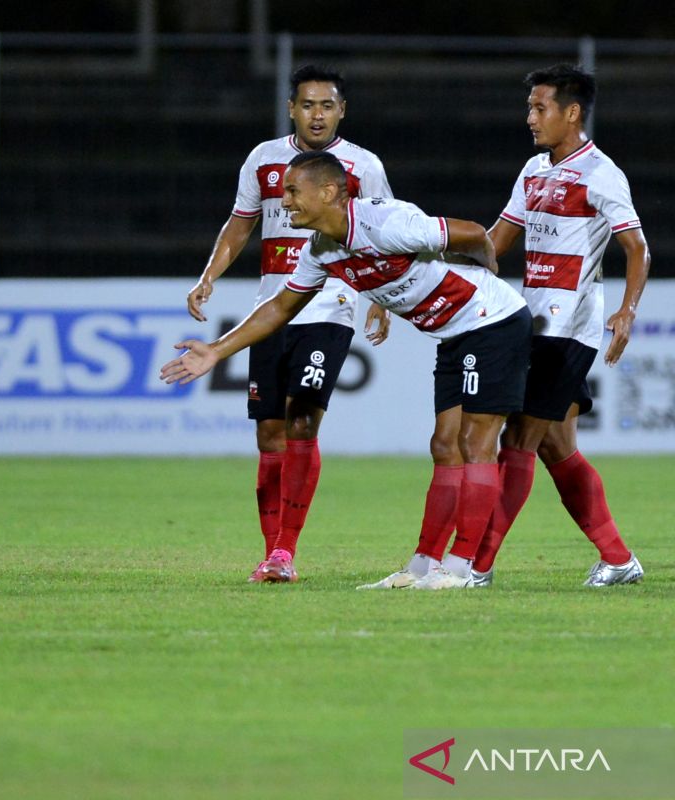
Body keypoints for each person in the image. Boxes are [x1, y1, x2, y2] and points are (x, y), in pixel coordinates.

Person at [161, 150, 533, 590]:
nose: (285, 203)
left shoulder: (387, 222)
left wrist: (488, 271)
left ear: (329, 192)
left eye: (293, 191)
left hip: (494, 322)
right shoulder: (321, 249)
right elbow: (280, 306)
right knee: (443, 445)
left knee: (475, 442)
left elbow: (471, 232)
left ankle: (462, 568)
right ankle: (422, 566)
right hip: (453, 334)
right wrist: (217, 352)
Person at [185, 65, 392, 584]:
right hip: (271, 307)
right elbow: (240, 223)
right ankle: (271, 552)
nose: (317, 114)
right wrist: (209, 275)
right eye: (307, 105)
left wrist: (381, 298)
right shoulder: (263, 159)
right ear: (291, 109)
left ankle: (285, 551)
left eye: (327, 105)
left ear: (342, 110)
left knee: (303, 420)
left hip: (330, 308)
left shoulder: (362, 167)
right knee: (269, 434)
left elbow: (387, 232)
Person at [468, 64, 651, 587]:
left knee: (518, 440)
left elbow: (636, 246)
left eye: (539, 107)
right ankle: (618, 559)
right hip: (532, 325)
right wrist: (440, 269)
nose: (530, 117)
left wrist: (627, 309)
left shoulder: (601, 174)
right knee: (556, 446)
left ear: (572, 113)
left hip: (570, 329)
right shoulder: (533, 171)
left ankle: (477, 566)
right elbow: (495, 241)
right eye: (530, 107)